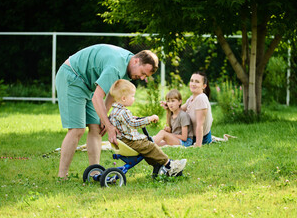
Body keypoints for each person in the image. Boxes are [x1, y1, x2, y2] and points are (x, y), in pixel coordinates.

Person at [55, 44, 158, 179]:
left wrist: (105, 121)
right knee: (77, 129)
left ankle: (95, 172)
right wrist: (109, 127)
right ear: (136, 61)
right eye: (143, 73)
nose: (143, 77)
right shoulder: (116, 66)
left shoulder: (128, 67)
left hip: (87, 85)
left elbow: (112, 92)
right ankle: (62, 175)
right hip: (72, 77)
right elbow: (97, 97)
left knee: (97, 127)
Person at [108, 79, 187, 177]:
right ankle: (169, 165)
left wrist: (134, 118)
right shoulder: (124, 112)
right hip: (130, 141)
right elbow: (133, 124)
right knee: (151, 147)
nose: (134, 98)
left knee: (147, 149)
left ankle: (157, 165)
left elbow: (124, 122)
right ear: (124, 98)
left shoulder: (114, 111)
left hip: (123, 141)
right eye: (132, 96)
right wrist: (149, 119)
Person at [161, 71, 213, 147]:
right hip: (192, 137)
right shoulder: (192, 98)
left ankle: (150, 143)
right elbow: (179, 110)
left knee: (164, 137)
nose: (193, 84)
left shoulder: (201, 99)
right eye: (192, 81)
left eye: (197, 82)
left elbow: (200, 125)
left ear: (204, 86)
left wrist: (198, 145)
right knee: (164, 137)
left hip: (201, 139)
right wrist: (169, 106)